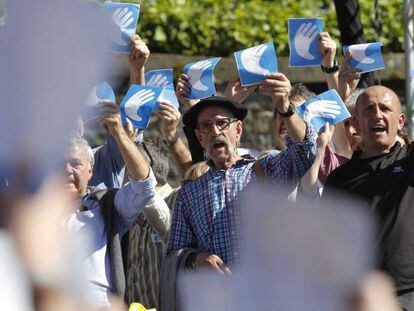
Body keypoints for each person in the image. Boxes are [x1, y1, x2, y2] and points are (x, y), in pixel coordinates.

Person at [167, 73, 317, 271]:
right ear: (199, 137)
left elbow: (305, 151)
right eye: (206, 126)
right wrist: (196, 259)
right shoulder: (188, 194)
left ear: (238, 130)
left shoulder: (268, 170)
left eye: (222, 123)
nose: (215, 132)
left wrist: (285, 108)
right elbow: (174, 254)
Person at [323, 85, 414, 310]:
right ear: (355, 124)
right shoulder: (339, 179)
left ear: (400, 122)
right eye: (369, 110)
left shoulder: (410, 161)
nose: (377, 115)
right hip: (362, 300)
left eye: (385, 108)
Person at [64, 103, 156, 306]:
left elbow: (144, 187)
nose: (67, 170)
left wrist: (119, 134)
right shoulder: (33, 209)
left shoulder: (106, 205)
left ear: (90, 171)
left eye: (75, 163)